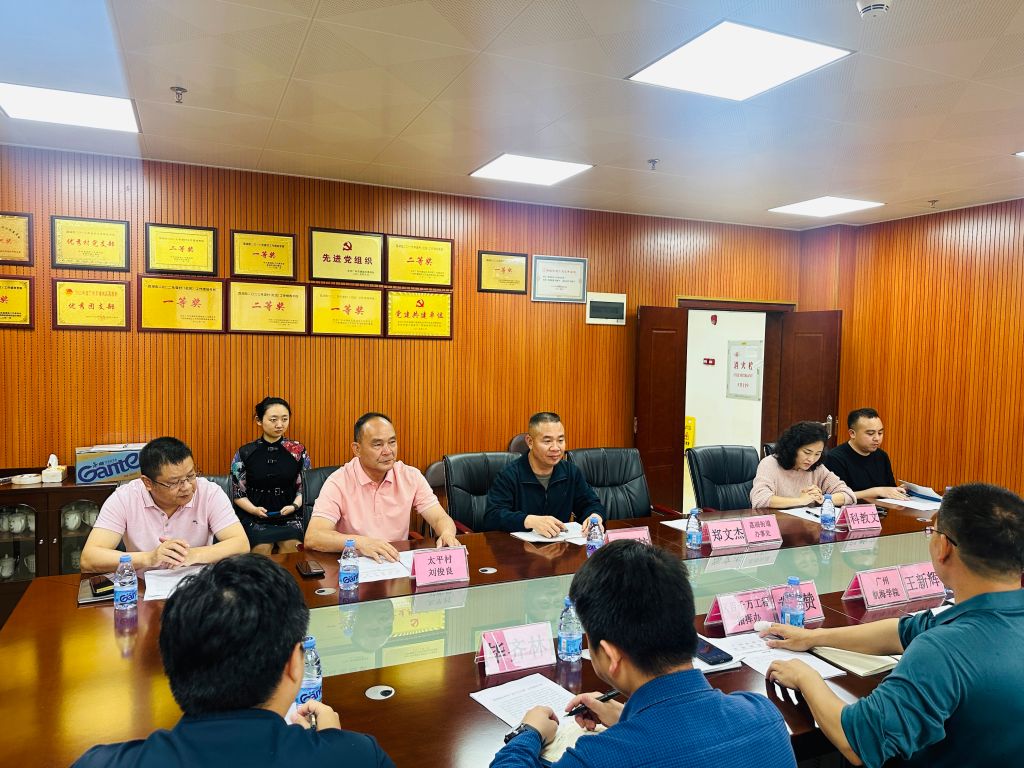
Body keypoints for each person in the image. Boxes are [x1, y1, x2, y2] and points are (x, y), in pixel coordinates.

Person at [762, 483, 1024, 768]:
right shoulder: (979, 619)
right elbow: (902, 631)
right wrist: (815, 637)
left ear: (943, 547)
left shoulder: (941, 651)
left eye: (932, 532)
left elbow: (856, 740)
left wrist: (806, 677)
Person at [490, 540, 796, 768]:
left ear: (610, 655)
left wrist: (528, 733)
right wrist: (629, 717)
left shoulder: (597, 759)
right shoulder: (764, 715)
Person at [72, 554, 395, 768]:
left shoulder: (99, 764)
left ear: (171, 662)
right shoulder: (358, 757)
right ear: (295, 665)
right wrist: (336, 747)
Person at [304, 412, 460, 561]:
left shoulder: (410, 476)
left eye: (392, 442)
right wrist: (361, 543)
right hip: (354, 567)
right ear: (357, 449)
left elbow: (439, 518)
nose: (388, 451)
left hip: (396, 564)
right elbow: (313, 537)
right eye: (378, 444)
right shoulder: (338, 482)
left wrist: (447, 533)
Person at [80, 437, 248, 573]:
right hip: (142, 588)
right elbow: (89, 559)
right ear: (148, 483)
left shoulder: (209, 493)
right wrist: (149, 558)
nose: (187, 487)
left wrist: (192, 555)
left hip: (197, 588)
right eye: (174, 482)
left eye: (191, 476)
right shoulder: (125, 498)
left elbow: (241, 544)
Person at [483, 412, 604, 536]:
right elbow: (492, 517)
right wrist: (529, 521)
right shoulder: (509, 475)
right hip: (518, 546)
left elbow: (591, 503)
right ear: (530, 442)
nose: (556, 448)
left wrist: (594, 516)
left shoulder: (571, 472)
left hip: (561, 544)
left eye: (560, 440)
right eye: (547, 441)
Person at [230, 396, 311, 554]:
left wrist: (294, 506)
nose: (280, 425)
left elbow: (305, 487)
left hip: (290, 515)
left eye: (284, 419)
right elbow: (237, 491)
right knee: (261, 549)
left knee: (292, 548)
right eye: (273, 420)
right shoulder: (245, 452)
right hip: (254, 516)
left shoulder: (298, 450)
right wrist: (254, 510)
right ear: (259, 420)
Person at [750, 421, 855, 509]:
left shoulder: (817, 468)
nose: (811, 459)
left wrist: (823, 499)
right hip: (778, 523)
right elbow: (759, 499)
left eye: (817, 454)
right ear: (793, 448)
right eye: (807, 452)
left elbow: (848, 495)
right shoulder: (770, 464)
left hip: (805, 524)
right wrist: (800, 500)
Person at [824, 408, 908, 502]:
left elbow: (888, 489)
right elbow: (836, 496)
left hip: (881, 508)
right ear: (852, 433)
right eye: (870, 433)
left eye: (880, 433)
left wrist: (897, 490)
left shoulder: (882, 456)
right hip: (851, 509)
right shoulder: (835, 458)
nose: (877, 438)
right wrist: (877, 491)